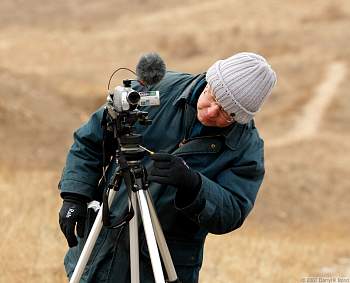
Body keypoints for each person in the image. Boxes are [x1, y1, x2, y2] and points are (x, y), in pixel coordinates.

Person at [58, 52, 277, 283]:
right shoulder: (157, 91)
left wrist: (193, 185)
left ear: (242, 118)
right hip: (100, 250)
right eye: (213, 98)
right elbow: (91, 140)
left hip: (161, 265)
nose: (212, 111)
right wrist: (75, 196)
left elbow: (232, 211)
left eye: (227, 113)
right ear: (209, 81)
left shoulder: (245, 147)